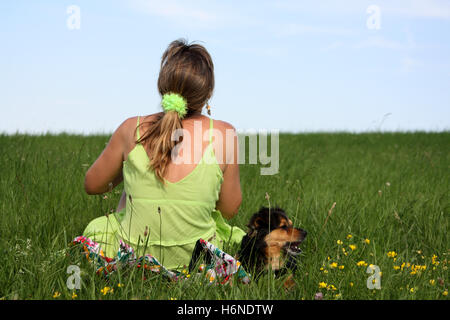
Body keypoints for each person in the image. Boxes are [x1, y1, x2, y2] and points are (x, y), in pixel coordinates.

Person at [82, 39, 245, 271]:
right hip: (196, 262)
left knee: (99, 226)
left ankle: (132, 257)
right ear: (207, 93)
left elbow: (93, 184)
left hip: (133, 258)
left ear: (162, 86)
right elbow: (229, 210)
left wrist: (129, 174)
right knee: (234, 236)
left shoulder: (131, 128)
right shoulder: (223, 133)